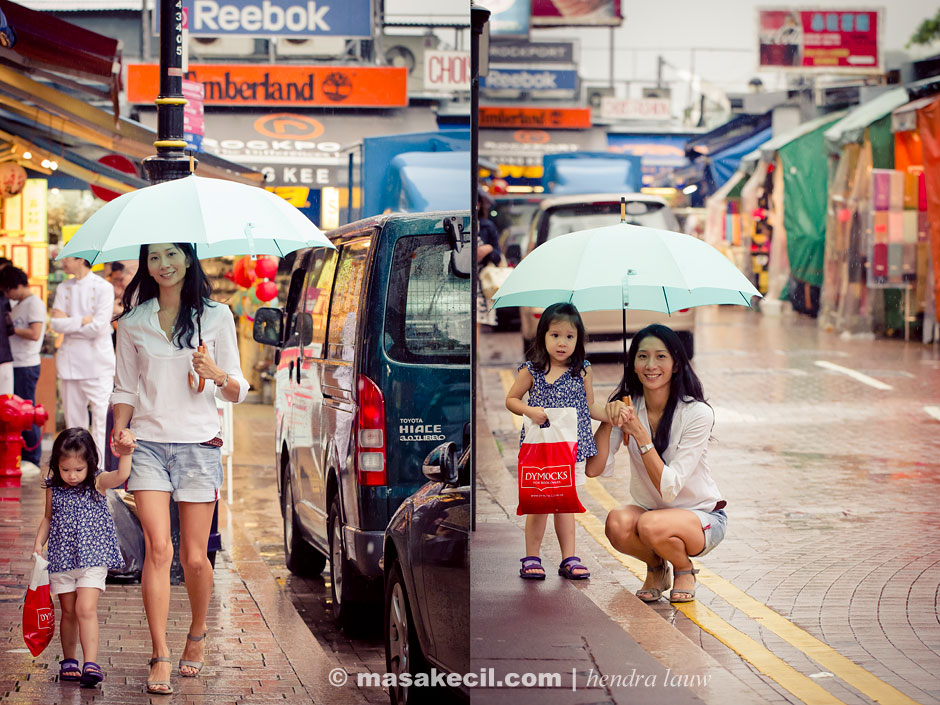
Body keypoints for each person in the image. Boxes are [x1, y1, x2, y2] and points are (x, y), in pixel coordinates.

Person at [111, 242, 248, 695]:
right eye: (153, 258)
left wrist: (216, 373)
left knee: (194, 556)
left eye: (171, 255)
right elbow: (124, 388)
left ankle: (196, 633)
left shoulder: (217, 316)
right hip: (148, 445)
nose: (163, 265)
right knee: (158, 549)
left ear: (188, 259)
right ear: (145, 267)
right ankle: (159, 653)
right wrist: (120, 431)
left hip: (198, 446)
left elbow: (237, 390)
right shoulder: (133, 322)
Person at [585, 324, 727, 603]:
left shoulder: (697, 413)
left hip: (700, 518)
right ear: (633, 365)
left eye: (661, 356)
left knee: (650, 524)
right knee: (617, 523)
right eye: (642, 356)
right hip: (653, 516)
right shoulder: (629, 406)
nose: (651, 365)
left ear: (675, 364)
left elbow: (669, 488)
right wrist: (607, 417)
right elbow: (593, 469)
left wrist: (639, 433)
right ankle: (656, 568)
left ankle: (684, 568)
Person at [505, 302, 611, 580]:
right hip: (540, 449)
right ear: (542, 337)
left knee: (565, 502)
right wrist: (529, 410)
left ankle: (569, 557)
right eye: (555, 335)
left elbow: (590, 407)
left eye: (569, 336)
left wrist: (611, 413)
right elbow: (511, 400)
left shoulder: (582, 370)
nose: (562, 343)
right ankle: (531, 556)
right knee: (539, 502)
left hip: (571, 450)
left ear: (578, 339)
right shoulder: (532, 370)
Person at [31, 427, 134, 688]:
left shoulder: (98, 482)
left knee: (84, 608)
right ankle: (69, 661)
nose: (72, 476)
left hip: (92, 559)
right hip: (62, 559)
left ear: (89, 464)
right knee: (68, 611)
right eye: (65, 469)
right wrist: (38, 542)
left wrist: (126, 451)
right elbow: (48, 517)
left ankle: (91, 663)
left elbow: (122, 475)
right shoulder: (54, 486)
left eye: (78, 469)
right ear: (57, 464)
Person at [49, 257, 116, 468]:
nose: (62, 262)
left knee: (100, 422)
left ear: (80, 259)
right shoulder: (63, 287)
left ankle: (99, 470)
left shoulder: (104, 287)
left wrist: (70, 324)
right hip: (70, 362)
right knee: (74, 424)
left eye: (67, 257)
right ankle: (75, 469)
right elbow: (55, 324)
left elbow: (99, 326)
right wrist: (81, 320)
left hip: (97, 363)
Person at [0, 266, 45, 469]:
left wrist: (12, 329)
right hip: (16, 363)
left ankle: (33, 458)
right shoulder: (18, 303)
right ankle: (24, 456)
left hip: (26, 364)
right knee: (16, 413)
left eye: (8, 290)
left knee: (26, 412)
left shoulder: (34, 303)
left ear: (17, 286)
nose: (7, 294)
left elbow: (35, 333)